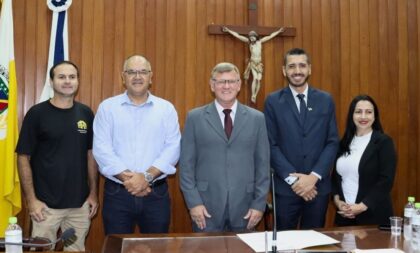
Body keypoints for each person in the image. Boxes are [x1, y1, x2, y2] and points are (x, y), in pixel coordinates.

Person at [93, 55, 181, 235]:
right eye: (131, 72)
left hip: (155, 195)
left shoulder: (166, 109)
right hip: (118, 195)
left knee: (157, 248)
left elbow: (172, 149)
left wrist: (146, 177)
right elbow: (102, 149)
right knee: (116, 248)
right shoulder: (107, 108)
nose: (137, 76)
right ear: (123, 77)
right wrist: (132, 181)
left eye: (143, 72)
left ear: (151, 77)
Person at [15, 61, 98, 251]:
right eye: (61, 77)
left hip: (79, 206)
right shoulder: (37, 114)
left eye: (72, 77)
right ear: (51, 82)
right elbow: (23, 158)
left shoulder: (85, 113)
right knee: (43, 250)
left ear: (78, 81)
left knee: (75, 250)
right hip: (45, 208)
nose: (67, 81)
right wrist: (32, 200)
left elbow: (91, 155)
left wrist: (93, 194)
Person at [179, 62, 270, 232]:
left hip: (246, 207)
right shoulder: (195, 118)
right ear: (212, 85)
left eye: (231, 81)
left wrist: (259, 204)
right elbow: (186, 166)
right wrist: (194, 203)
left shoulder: (257, 119)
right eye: (220, 82)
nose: (226, 86)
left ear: (239, 85)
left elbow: (263, 166)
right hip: (206, 208)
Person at [264, 48, 339, 230]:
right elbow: (270, 145)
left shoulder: (325, 100)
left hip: (317, 188)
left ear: (309, 69)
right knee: (283, 244)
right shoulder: (273, 101)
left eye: (302, 66)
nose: (297, 71)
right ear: (284, 71)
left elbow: (332, 141)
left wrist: (313, 177)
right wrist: (296, 181)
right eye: (292, 66)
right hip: (285, 189)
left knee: (314, 245)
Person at [332, 95, 397, 226]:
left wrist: (361, 207)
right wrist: (338, 202)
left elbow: (386, 180)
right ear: (352, 115)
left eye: (368, 112)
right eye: (358, 112)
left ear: (375, 116)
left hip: (373, 217)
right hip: (344, 217)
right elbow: (335, 178)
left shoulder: (383, 142)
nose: (363, 117)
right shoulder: (343, 143)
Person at [222, 26, 285, 103]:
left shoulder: (260, 42)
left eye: (253, 37)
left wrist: (278, 31)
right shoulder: (249, 43)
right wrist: (228, 30)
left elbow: (270, 36)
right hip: (253, 64)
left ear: (256, 37)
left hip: (259, 64)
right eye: (250, 37)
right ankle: (253, 95)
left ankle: (255, 94)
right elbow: (238, 36)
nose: (252, 39)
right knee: (255, 78)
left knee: (259, 80)